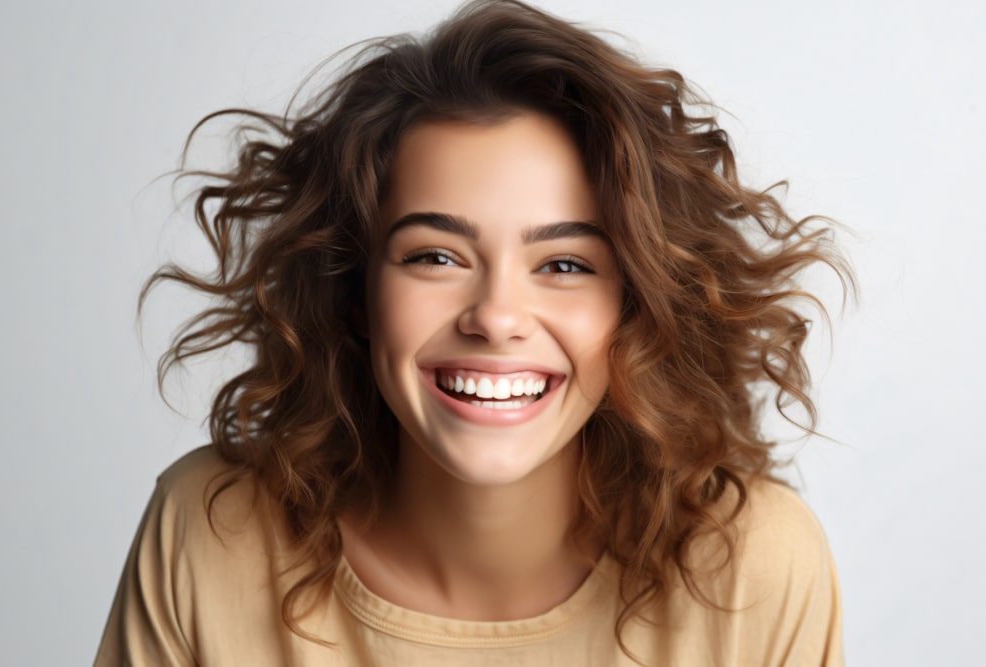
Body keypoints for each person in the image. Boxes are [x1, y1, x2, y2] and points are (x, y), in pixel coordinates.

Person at [96, 0, 851, 664]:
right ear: (356, 289)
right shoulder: (212, 530)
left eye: (562, 263)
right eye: (435, 256)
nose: (494, 315)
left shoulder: (755, 566)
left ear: (637, 306)